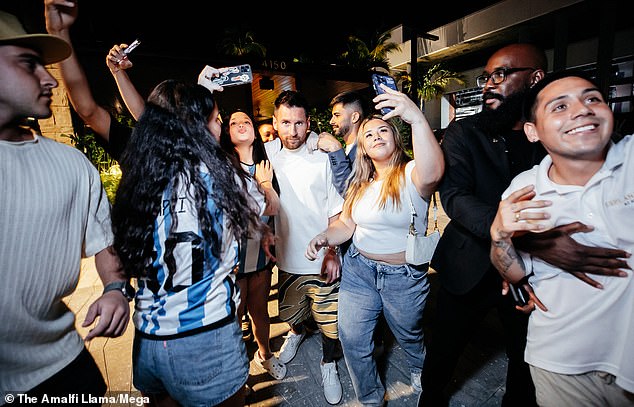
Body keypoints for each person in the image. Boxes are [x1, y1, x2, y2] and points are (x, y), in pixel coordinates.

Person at [0, 8, 130, 403]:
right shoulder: (144, 145)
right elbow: (88, 108)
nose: (47, 79)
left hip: (64, 369)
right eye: (28, 64)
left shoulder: (72, 165)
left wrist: (115, 288)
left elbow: (103, 241)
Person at [110, 80, 266, 406]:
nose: (221, 125)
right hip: (205, 338)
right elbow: (265, 209)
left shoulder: (142, 176)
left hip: (150, 341)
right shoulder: (226, 177)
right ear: (195, 126)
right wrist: (262, 183)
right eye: (216, 118)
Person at [489, 70, 633, 406]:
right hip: (559, 361)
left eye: (592, 98)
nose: (581, 109)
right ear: (532, 131)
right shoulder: (524, 190)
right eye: (559, 107)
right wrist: (501, 237)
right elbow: (513, 274)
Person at [419, 43, 549, 406]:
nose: (489, 84)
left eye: (501, 74)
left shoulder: (547, 135)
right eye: (486, 76)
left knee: (525, 355)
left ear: (535, 78)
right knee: (444, 348)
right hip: (468, 265)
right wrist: (502, 226)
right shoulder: (464, 132)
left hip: (529, 269)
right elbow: (455, 197)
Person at [306, 85, 444, 404]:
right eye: (368, 135)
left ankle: (419, 368)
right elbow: (346, 225)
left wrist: (416, 119)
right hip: (359, 272)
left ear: (395, 138)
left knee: (410, 336)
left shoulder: (411, 174)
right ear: (363, 148)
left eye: (384, 130)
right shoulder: (361, 183)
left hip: (403, 278)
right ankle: (370, 397)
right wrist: (325, 237)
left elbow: (434, 171)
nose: (376, 136)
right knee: (353, 340)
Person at [264, 90, 345, 405]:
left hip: (321, 256)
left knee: (329, 318)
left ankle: (328, 364)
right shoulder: (267, 154)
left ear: (308, 123)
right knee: (291, 311)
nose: (292, 131)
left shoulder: (321, 155)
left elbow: (335, 209)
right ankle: (296, 334)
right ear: (275, 122)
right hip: (285, 256)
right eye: (285, 123)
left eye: (299, 123)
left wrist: (332, 251)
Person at [219, 110, 286, 380]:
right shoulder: (221, 165)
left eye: (246, 120)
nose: (241, 124)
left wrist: (266, 184)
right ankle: (238, 371)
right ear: (227, 134)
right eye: (233, 123)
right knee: (233, 317)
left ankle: (265, 355)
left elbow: (273, 209)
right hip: (232, 254)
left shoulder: (266, 164)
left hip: (260, 251)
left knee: (259, 311)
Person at [316, 90, 371, 196]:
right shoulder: (348, 149)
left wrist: (336, 150)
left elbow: (351, 194)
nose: (331, 121)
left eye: (337, 115)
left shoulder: (366, 150)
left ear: (354, 117)